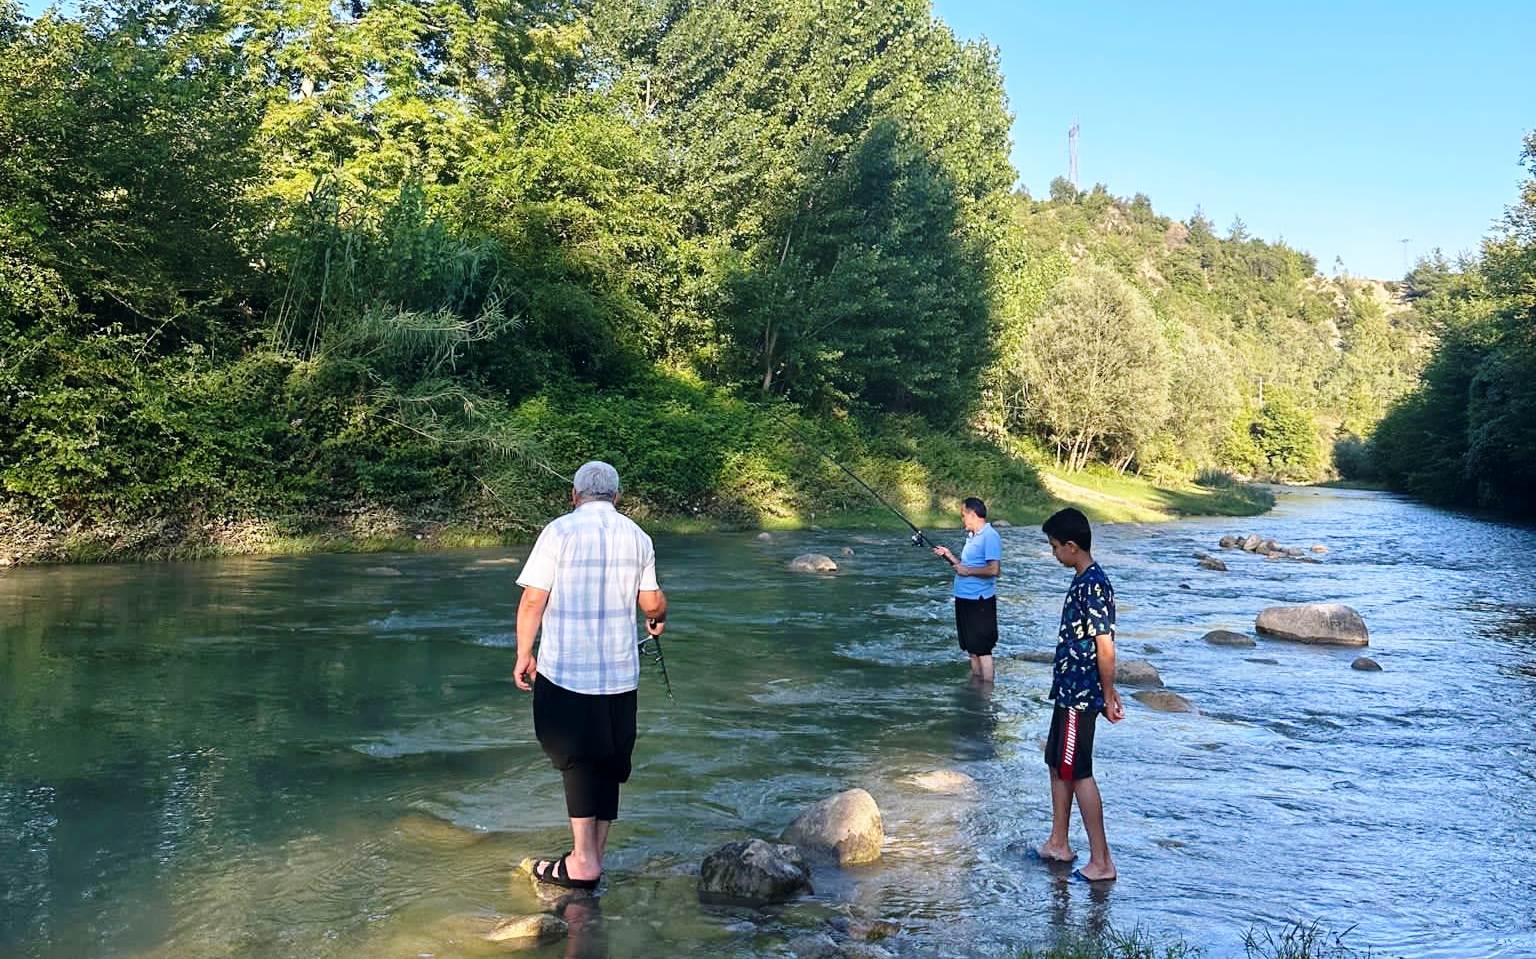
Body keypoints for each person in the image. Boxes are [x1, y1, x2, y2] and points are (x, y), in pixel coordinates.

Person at [514, 461, 668, 890]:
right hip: (621, 676)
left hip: (566, 671)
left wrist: (525, 653)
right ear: (617, 497)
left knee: (577, 758)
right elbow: (652, 603)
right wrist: (659, 618)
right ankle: (594, 855)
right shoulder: (638, 536)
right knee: (609, 758)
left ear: (575, 495)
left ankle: (582, 863)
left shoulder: (559, 532)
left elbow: (532, 601)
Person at [1036, 507, 1123, 883]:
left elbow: (1105, 645)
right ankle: (1059, 841)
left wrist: (1107, 693)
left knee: (1078, 771)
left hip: (1081, 695)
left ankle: (1102, 861)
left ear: (1072, 546)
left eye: (1056, 547)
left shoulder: (1093, 584)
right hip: (1068, 691)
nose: (1054, 553)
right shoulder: (1082, 579)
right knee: (1056, 761)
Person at [931, 497, 1002, 682]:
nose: (962, 519)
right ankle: (976, 689)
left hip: (980, 600)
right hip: (964, 598)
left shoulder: (990, 536)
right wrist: (949, 556)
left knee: (983, 649)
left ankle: (987, 693)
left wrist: (967, 571)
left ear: (972, 514)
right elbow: (964, 567)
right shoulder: (972, 536)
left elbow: (994, 570)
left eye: (963, 516)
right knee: (971, 649)